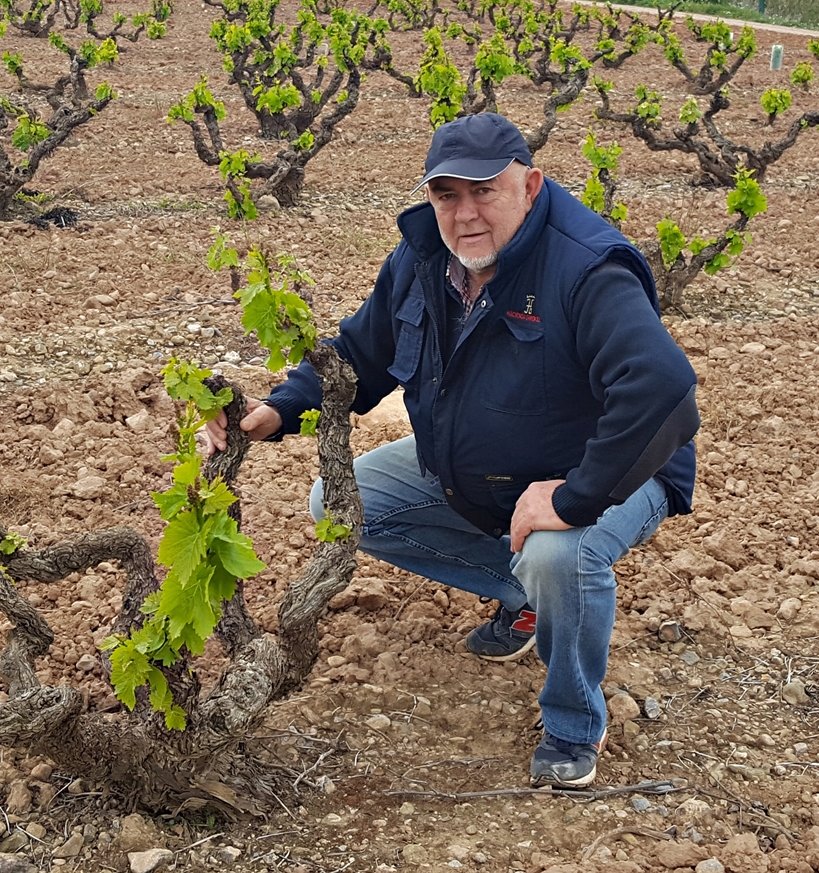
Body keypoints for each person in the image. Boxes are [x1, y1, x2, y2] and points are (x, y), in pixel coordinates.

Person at [204, 112, 699, 788]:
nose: (465, 214)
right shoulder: (423, 259)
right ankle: (528, 597)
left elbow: (664, 391)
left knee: (558, 554)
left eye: (484, 191)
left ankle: (573, 721)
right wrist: (277, 410)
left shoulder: (585, 266)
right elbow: (360, 355)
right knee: (342, 503)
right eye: (446, 195)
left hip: (609, 468)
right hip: (482, 471)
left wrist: (573, 497)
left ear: (530, 185)